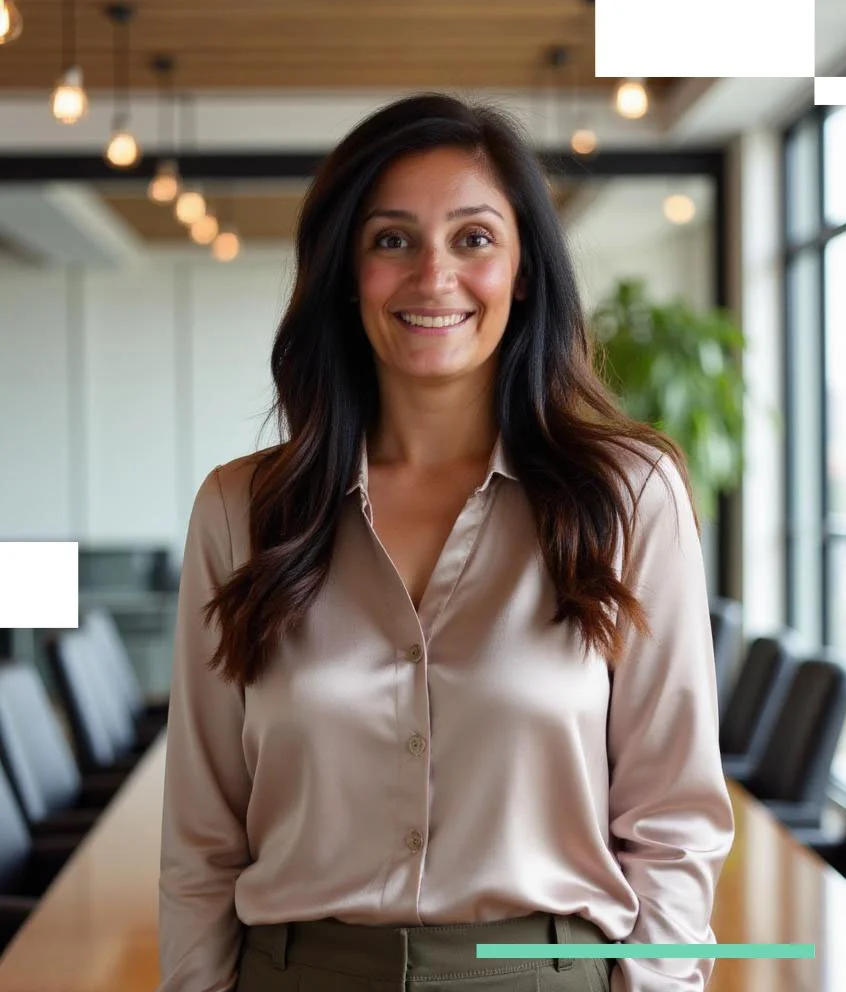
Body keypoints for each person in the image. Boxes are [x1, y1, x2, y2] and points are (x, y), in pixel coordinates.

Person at [158, 93, 735, 992]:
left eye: (473, 239)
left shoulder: (627, 498)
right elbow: (200, 837)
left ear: (524, 270)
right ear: (348, 272)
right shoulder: (242, 511)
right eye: (392, 240)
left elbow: (675, 821)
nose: (435, 276)